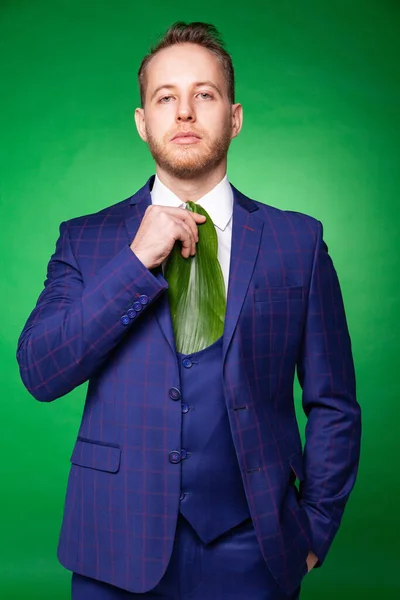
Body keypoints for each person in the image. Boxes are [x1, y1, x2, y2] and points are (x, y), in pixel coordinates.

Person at [17, 21, 361, 600]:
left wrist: (315, 527)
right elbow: (41, 372)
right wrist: (134, 263)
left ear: (234, 117)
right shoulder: (85, 241)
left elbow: (333, 403)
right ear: (142, 121)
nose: (184, 113)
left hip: (255, 547)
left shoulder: (296, 243)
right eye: (165, 98)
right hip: (113, 545)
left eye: (204, 95)